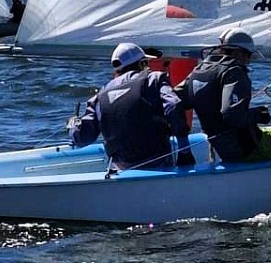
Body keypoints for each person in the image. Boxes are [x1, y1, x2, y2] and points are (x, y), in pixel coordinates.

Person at [68, 42, 196, 170]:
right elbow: (173, 106)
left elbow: (82, 138)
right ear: (141, 64)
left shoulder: (99, 97)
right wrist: (184, 151)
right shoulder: (154, 79)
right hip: (158, 162)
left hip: (121, 169)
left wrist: (73, 124)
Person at [174, 28, 271, 163]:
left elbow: (174, 102)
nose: (248, 60)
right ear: (238, 53)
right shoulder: (234, 72)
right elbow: (233, 116)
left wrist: (181, 136)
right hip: (243, 149)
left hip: (220, 147)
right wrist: (259, 115)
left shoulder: (199, 70)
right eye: (248, 55)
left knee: (269, 134)